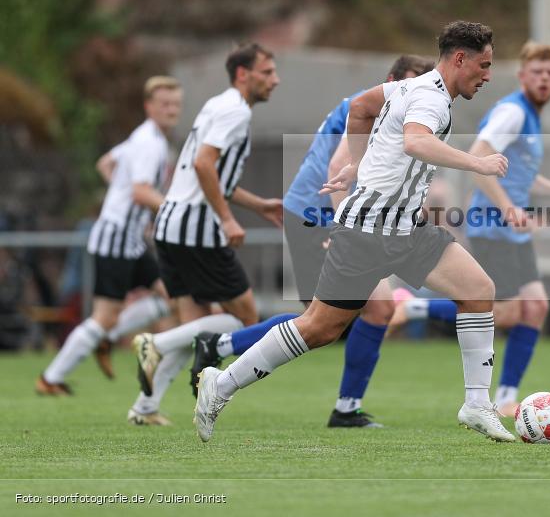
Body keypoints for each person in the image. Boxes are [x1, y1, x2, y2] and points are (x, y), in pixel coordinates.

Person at [193, 21, 515, 443]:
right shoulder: (430, 100)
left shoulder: (409, 87)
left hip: (406, 227)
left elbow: (361, 106)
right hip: (368, 231)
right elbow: (416, 142)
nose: (488, 75)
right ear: (460, 59)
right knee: (319, 328)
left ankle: (476, 404)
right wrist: (478, 164)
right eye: (484, 65)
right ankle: (221, 384)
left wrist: (359, 163)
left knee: (478, 289)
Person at [188, 55, 434, 429]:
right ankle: (341, 407)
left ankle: (220, 347)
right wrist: (343, 229)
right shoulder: (379, 107)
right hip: (317, 214)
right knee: (336, 319)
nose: (416, 93)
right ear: (391, 80)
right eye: (410, 84)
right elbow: (339, 168)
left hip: (319, 211)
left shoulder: (390, 105)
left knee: (327, 321)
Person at [129, 43, 283, 424]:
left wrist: (258, 205)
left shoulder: (218, 104)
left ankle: (146, 406)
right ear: (243, 74)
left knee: (194, 327)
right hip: (197, 229)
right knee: (245, 316)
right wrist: (228, 219)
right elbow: (203, 164)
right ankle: (155, 343)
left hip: (171, 225)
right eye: (267, 72)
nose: (274, 80)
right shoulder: (235, 112)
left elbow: (215, 176)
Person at [36, 77, 182, 407]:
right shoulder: (150, 143)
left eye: (176, 104)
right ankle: (51, 377)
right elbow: (141, 191)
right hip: (116, 238)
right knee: (104, 316)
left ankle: (107, 339)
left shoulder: (141, 137)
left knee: (172, 295)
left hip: (128, 238)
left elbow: (106, 164)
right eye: (165, 104)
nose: (171, 110)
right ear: (149, 107)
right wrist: (176, 210)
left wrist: (119, 196)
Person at [465, 42, 550, 416]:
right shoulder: (512, 112)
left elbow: (524, 176)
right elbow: (477, 157)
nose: (544, 79)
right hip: (492, 226)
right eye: (537, 72)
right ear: (522, 76)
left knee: (536, 307)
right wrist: (506, 209)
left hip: (511, 231)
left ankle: (505, 398)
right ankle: (414, 308)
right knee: (503, 313)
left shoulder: (532, 118)